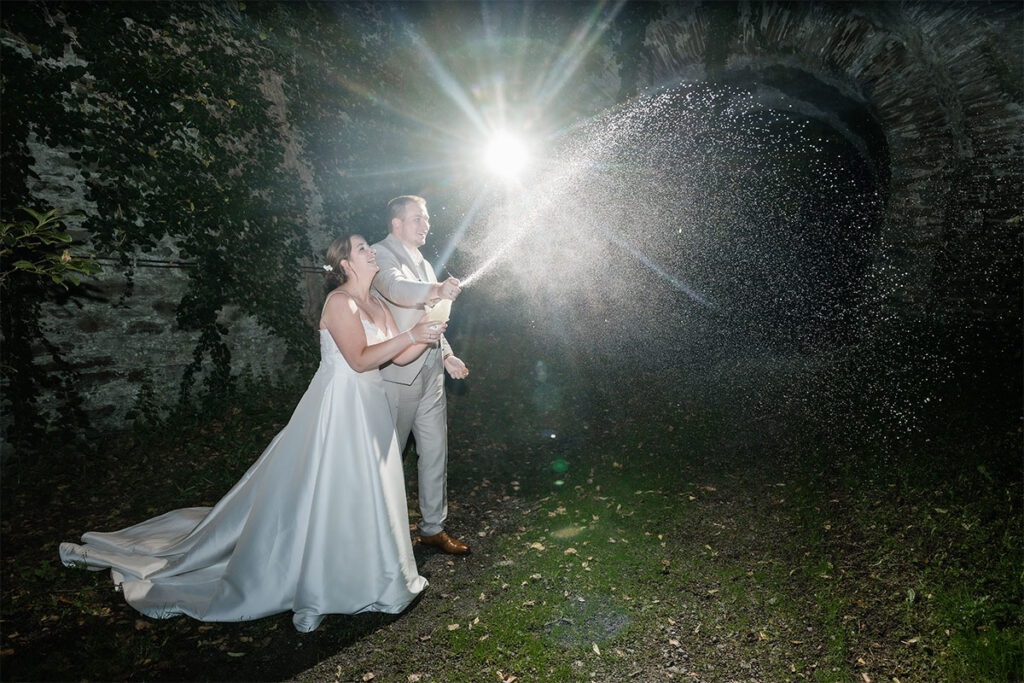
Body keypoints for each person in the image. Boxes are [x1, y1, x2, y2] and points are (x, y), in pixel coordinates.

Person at [59, 234, 444, 632]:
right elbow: (360, 359)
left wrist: (426, 334)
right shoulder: (339, 302)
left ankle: (373, 574)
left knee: (367, 493)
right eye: (363, 248)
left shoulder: (377, 303)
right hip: (339, 410)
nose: (371, 252)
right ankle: (318, 587)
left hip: (372, 408)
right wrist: (412, 334)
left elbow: (396, 355)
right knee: (328, 492)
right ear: (346, 263)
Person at [371, 195, 470, 555]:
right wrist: (436, 288)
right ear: (396, 223)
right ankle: (378, 533)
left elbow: (434, 316)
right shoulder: (380, 255)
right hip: (397, 376)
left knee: (434, 453)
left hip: (431, 375)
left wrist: (447, 355)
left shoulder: (425, 264)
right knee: (387, 458)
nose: (425, 224)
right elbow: (397, 290)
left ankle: (432, 528)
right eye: (418, 218)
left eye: (426, 218)